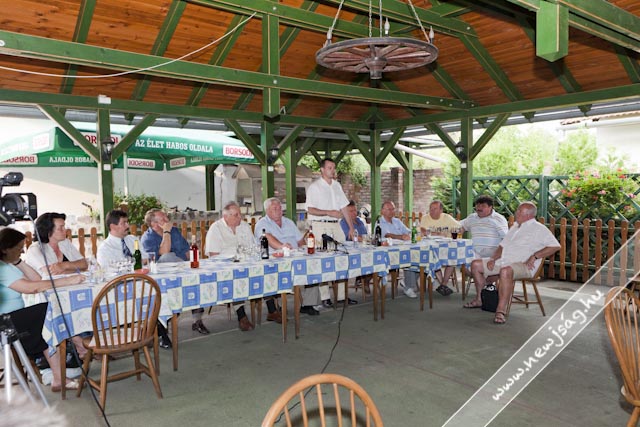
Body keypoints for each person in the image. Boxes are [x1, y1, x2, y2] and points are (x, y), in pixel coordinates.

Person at [0, 227, 85, 392]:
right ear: (5, 249)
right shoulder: (1, 268)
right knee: (48, 311)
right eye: (19, 248)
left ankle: (60, 377)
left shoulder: (8, 265)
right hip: (5, 324)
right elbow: (31, 288)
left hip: (13, 319)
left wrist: (18, 261)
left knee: (47, 321)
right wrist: (67, 281)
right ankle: (80, 344)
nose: (22, 251)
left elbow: (36, 279)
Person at [466, 202, 560, 324]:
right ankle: (480, 299)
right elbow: (502, 246)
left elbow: (555, 246)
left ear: (529, 215)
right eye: (517, 210)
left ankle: (500, 311)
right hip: (504, 261)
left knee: (505, 271)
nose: (516, 213)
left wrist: (535, 256)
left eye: (519, 211)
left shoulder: (539, 228)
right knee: (475, 264)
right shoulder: (515, 226)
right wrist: (493, 258)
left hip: (523, 265)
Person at [96, 210, 173, 349]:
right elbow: (109, 272)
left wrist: (129, 264)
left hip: (141, 282)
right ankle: (153, 331)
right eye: (124, 223)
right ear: (113, 226)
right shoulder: (104, 248)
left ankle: (156, 330)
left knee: (159, 291)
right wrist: (134, 263)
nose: (128, 225)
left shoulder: (133, 240)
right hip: (121, 288)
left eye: (127, 222)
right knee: (148, 293)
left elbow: (146, 259)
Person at [24, 212, 90, 362]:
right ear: (48, 230)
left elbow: (84, 264)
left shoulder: (65, 243)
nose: (65, 230)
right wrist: (73, 269)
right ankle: (81, 345)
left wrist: (64, 266)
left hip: (70, 290)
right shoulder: (36, 249)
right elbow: (49, 274)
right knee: (61, 308)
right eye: (61, 228)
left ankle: (87, 343)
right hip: (45, 297)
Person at [141, 209, 209, 335]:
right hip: (165, 277)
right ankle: (163, 324)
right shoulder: (147, 238)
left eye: (166, 217)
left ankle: (197, 320)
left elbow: (187, 251)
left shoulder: (175, 231)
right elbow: (164, 253)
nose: (167, 220)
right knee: (168, 257)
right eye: (163, 219)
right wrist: (166, 232)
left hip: (182, 270)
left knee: (196, 278)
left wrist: (194, 265)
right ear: (154, 224)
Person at [254, 197, 321, 316]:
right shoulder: (262, 224)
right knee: (268, 272)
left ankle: (308, 304)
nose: (279, 210)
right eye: (275, 208)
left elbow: (300, 241)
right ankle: (275, 308)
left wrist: (305, 250)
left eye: (280, 208)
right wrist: (282, 247)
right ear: (267, 211)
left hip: (295, 256)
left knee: (312, 266)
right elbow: (267, 237)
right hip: (275, 258)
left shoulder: (288, 222)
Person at [305, 158, 356, 306]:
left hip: (336, 225)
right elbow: (310, 209)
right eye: (329, 168)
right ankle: (325, 297)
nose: (333, 170)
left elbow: (344, 207)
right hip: (320, 225)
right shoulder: (314, 187)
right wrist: (328, 212)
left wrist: (351, 227)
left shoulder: (337, 185)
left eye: (334, 168)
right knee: (324, 261)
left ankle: (341, 296)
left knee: (342, 258)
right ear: (322, 169)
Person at [205, 201, 263, 331]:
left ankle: (271, 308)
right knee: (236, 277)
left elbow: (253, 247)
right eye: (236, 215)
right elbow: (213, 256)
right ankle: (241, 315)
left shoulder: (244, 226)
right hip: (225, 266)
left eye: (239, 214)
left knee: (264, 270)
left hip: (245, 262)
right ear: (226, 216)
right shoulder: (216, 228)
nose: (240, 217)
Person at [419, 200, 461, 296]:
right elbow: (423, 230)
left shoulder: (447, 218)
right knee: (433, 258)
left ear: (441, 210)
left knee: (453, 258)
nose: (432, 211)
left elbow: (459, 228)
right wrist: (437, 233)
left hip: (446, 247)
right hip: (432, 248)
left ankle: (443, 284)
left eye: (435, 209)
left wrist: (451, 231)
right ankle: (443, 285)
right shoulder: (425, 218)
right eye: (431, 209)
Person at [378, 201, 417, 298]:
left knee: (419, 257)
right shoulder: (380, 222)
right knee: (409, 258)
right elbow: (387, 235)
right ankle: (408, 286)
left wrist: (416, 232)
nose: (392, 211)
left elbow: (407, 231)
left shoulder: (397, 221)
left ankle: (407, 283)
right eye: (389, 209)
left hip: (402, 249)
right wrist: (401, 237)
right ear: (382, 211)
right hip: (388, 253)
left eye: (393, 209)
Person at [340, 200, 371, 294]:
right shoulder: (344, 222)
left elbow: (365, 235)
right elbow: (352, 237)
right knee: (369, 258)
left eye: (355, 210)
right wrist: (365, 239)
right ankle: (363, 279)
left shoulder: (359, 221)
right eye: (351, 211)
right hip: (352, 251)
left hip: (364, 247)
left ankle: (364, 279)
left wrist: (367, 239)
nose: (354, 213)